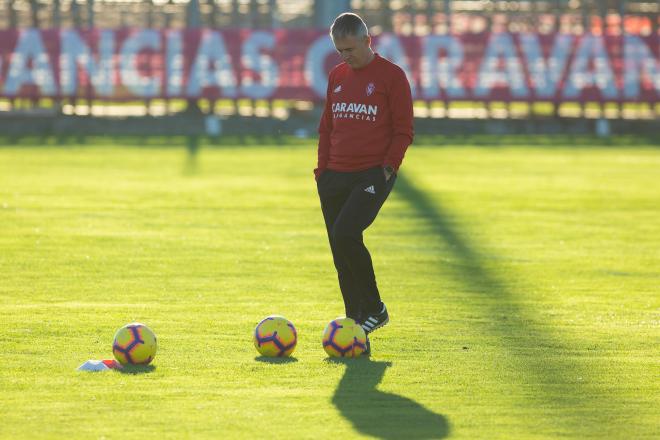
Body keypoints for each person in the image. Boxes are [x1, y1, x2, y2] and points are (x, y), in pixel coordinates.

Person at [315, 12, 414, 353]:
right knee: (339, 251)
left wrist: (388, 168)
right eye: (339, 50)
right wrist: (321, 171)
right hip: (333, 176)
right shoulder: (337, 76)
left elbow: (404, 131)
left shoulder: (392, 76)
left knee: (346, 233)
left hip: (372, 173)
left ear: (367, 41)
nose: (345, 56)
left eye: (350, 49)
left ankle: (375, 309)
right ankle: (354, 323)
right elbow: (327, 127)